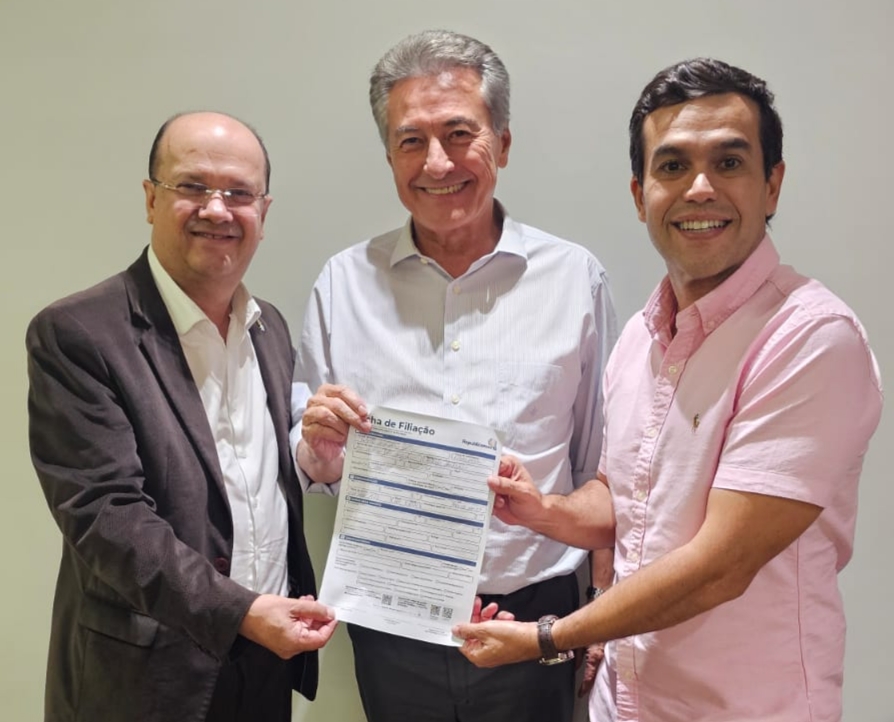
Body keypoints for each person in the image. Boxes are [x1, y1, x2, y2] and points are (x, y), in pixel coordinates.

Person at [452, 58, 884, 722]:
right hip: (625, 704)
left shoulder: (810, 337)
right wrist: (545, 511)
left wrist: (549, 637)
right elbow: (625, 498)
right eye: (673, 166)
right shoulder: (641, 335)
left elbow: (720, 565)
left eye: (729, 163)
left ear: (772, 185)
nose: (700, 188)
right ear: (640, 194)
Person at [292, 29, 618, 722]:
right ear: (389, 156)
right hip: (390, 617)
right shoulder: (343, 284)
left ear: (503, 143)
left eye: (459, 134)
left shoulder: (575, 280)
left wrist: (601, 609)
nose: (437, 162)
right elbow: (314, 461)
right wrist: (317, 448)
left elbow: (603, 466)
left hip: (538, 618)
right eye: (411, 141)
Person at [27, 111, 337, 722]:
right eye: (193, 186)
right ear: (150, 198)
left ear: (264, 212)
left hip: (266, 664)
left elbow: (244, 477)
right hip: (146, 678)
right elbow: (105, 515)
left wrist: (309, 459)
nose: (217, 210)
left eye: (239, 193)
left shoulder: (269, 328)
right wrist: (240, 612)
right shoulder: (78, 334)